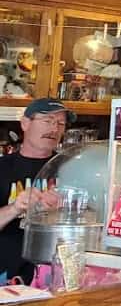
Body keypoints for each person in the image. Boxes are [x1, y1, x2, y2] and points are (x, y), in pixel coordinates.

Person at [0, 98, 65, 283]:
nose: (54, 128)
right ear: (25, 123)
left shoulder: (72, 169)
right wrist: (15, 208)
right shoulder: (2, 167)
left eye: (60, 123)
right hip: (7, 278)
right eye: (47, 121)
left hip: (58, 275)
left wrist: (63, 210)